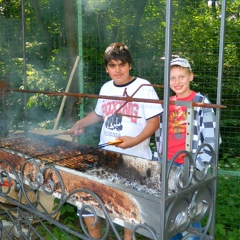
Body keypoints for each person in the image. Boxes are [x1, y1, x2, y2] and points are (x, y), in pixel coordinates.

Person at [71, 42, 163, 240]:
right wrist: (80, 122)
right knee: (91, 198)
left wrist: (135, 140)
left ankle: (129, 237)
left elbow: (154, 122)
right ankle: (95, 236)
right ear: (107, 68)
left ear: (129, 65)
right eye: (113, 66)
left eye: (122, 65)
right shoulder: (106, 87)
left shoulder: (143, 87)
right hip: (106, 156)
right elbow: (98, 114)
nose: (117, 70)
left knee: (128, 205)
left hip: (135, 159)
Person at [155, 57, 218, 240]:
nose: (177, 82)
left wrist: (197, 165)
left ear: (191, 76)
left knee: (190, 211)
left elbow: (213, 140)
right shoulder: (167, 102)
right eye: (172, 78)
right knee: (170, 213)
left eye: (181, 76)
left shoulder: (201, 102)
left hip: (188, 166)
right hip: (167, 162)